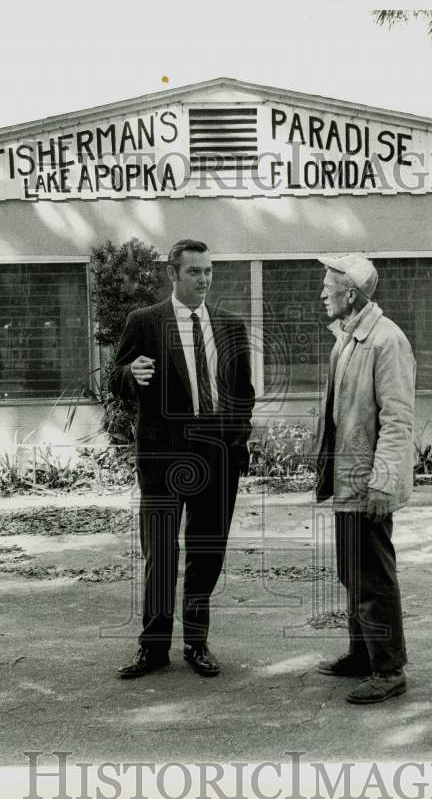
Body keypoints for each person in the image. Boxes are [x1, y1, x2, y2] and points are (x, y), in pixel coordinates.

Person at [111, 239, 254, 679]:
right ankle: (153, 648)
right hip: (163, 458)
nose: (205, 279)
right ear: (173, 275)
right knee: (160, 553)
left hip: (216, 457)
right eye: (195, 272)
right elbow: (115, 380)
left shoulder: (230, 326)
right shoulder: (146, 322)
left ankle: (196, 642)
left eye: (209, 271)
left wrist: (235, 440)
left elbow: (243, 393)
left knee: (206, 552)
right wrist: (129, 375)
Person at [313, 254, 416, 704]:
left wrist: (383, 482)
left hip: (368, 482)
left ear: (349, 294)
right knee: (352, 572)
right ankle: (362, 655)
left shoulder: (385, 341)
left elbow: (398, 420)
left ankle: (389, 669)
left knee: (373, 577)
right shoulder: (348, 339)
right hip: (348, 480)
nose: (321, 294)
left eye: (327, 287)